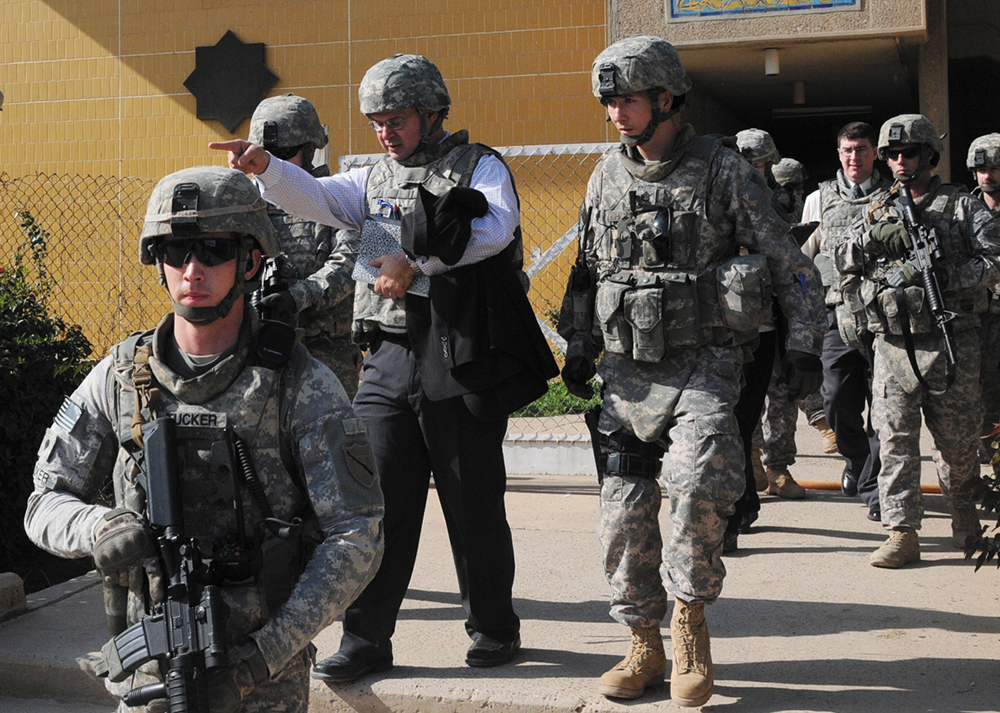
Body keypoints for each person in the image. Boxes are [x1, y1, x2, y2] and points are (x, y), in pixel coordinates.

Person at [213, 53, 557, 680]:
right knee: (373, 504)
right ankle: (366, 638)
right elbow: (316, 199)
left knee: (471, 501)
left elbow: (494, 231)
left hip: (458, 354)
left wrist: (413, 261)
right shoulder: (372, 178)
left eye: (395, 119)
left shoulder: (478, 166)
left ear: (432, 111)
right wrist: (265, 168)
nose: (384, 133)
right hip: (389, 357)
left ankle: (492, 629)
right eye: (375, 122)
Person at [23, 166, 385, 712]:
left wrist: (261, 657)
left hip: (261, 681)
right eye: (176, 251)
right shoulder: (118, 377)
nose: (193, 269)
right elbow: (43, 502)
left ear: (251, 260)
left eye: (214, 249)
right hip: (148, 674)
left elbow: (356, 535)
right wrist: (99, 524)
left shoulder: (300, 383)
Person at [558, 36, 825, 706]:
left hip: (706, 362)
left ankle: (690, 622)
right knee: (622, 514)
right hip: (628, 370)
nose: (616, 111)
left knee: (699, 481)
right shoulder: (603, 175)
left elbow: (784, 257)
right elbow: (587, 267)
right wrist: (578, 338)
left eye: (627, 97)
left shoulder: (723, 170)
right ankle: (643, 641)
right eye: (609, 100)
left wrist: (804, 340)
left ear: (667, 98)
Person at [836, 114, 1000, 568]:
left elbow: (994, 260)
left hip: (953, 342)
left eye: (910, 153)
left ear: (930, 155)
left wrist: (948, 276)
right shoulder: (878, 207)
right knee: (894, 441)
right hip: (894, 344)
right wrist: (874, 270)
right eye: (892, 155)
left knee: (959, 444)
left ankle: (964, 513)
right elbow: (845, 264)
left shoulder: (964, 208)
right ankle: (901, 530)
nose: (901, 162)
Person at [801, 121, 890, 520]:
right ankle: (856, 460)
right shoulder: (819, 200)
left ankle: (875, 491)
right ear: (839, 154)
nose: (855, 157)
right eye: (847, 150)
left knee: (886, 408)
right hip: (837, 318)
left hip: (884, 320)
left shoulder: (894, 196)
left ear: (875, 152)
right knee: (836, 401)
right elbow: (803, 261)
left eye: (862, 149)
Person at [247, 94, 363, 399]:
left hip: (324, 352)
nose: (271, 163)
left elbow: (348, 265)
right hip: (256, 347)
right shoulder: (245, 206)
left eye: (283, 153)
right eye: (265, 153)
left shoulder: (333, 198)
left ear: (311, 149)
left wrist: (295, 297)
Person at [735, 128, 822, 500]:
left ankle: (779, 467)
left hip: (775, 314)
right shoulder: (721, 197)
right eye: (753, 163)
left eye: (764, 164)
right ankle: (751, 462)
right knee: (743, 396)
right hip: (737, 318)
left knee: (783, 394)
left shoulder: (774, 201)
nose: (759, 170)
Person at [967, 134, 1000, 473]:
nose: (988, 176)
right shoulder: (963, 211)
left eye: (995, 168)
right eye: (982, 169)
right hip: (975, 323)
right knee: (974, 408)